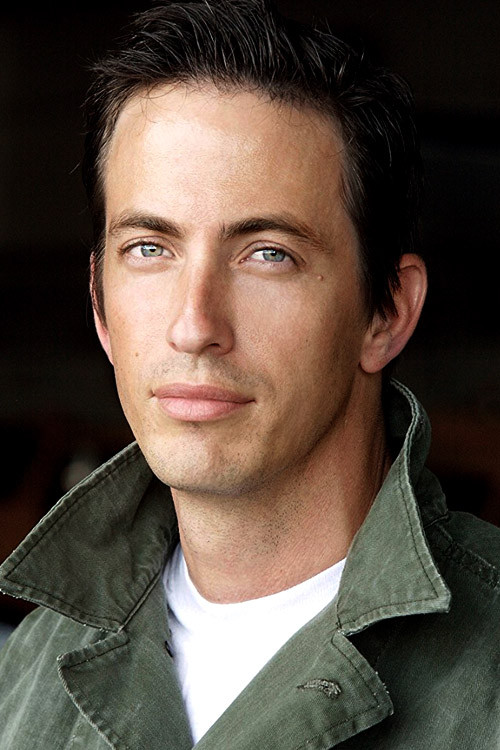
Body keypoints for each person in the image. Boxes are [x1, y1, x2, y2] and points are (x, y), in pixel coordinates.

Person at [1, 1, 499, 747]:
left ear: (387, 312)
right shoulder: (29, 670)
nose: (195, 324)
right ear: (100, 303)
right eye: (150, 249)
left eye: (268, 254)